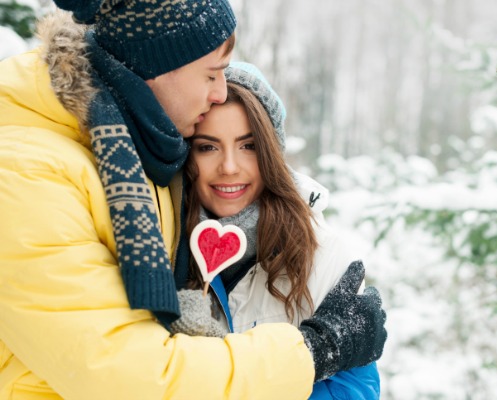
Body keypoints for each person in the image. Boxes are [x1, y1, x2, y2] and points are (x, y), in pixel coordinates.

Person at [0, 0, 387, 398]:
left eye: (250, 146)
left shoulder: (128, 154)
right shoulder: (26, 174)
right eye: (211, 73)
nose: (220, 91)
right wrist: (314, 351)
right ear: (157, 65)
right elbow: (130, 376)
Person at [173, 61, 381, 399]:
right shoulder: (162, 245)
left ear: (271, 152)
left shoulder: (324, 254)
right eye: (208, 147)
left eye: (248, 146)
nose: (229, 167)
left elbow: (354, 391)